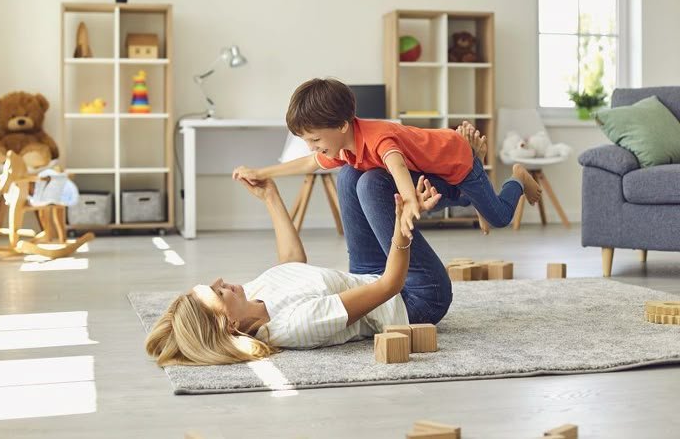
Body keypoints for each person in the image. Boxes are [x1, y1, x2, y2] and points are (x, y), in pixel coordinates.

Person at [145, 170, 449, 366]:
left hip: (366, 274)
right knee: (371, 185)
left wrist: (270, 196)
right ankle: (462, 185)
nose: (221, 281)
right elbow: (389, 286)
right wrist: (402, 222)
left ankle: (457, 175)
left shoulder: (249, 300)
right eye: (218, 292)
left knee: (349, 174)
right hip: (411, 298)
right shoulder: (296, 326)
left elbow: (290, 265)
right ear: (231, 326)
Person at [232, 77, 542, 237]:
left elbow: (395, 164)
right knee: (447, 198)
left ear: (341, 125)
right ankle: (477, 199)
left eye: (315, 139)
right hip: (431, 167)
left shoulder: (378, 137)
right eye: (307, 140)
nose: (312, 146)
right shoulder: (342, 145)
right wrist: (263, 172)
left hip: (457, 159)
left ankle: (518, 178)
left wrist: (408, 202)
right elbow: (309, 163)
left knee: (500, 217)